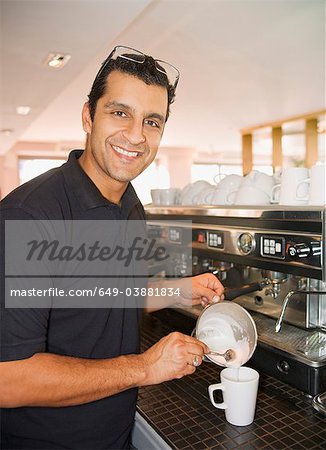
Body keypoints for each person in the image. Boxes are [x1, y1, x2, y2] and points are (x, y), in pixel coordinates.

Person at [0, 46, 224, 449]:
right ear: (88, 116)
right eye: (120, 112)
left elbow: (102, 295)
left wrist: (180, 289)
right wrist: (144, 368)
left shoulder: (129, 206)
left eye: (151, 121)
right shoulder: (30, 216)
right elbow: (9, 378)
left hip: (114, 433)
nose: (136, 135)